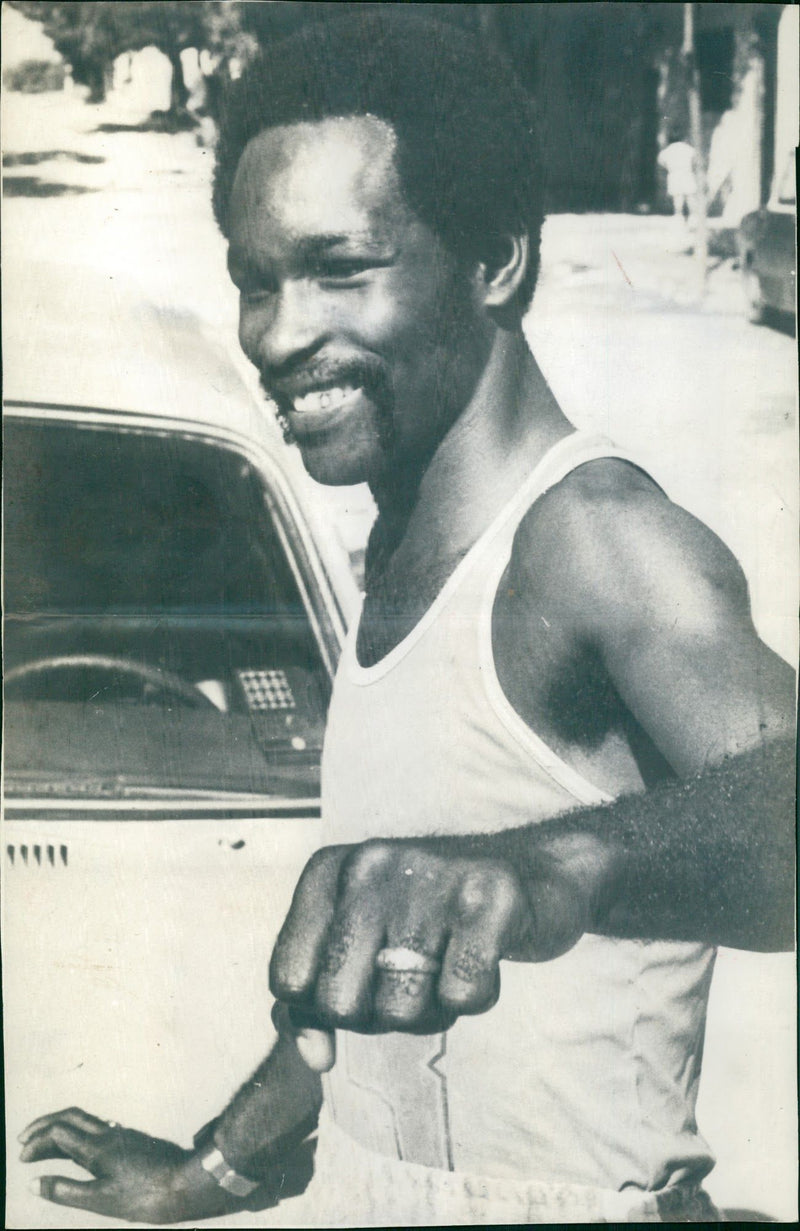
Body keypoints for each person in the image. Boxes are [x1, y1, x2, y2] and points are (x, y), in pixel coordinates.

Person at [20, 12, 794, 1226]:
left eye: (340, 269)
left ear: (493, 262)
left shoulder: (591, 537)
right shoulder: (393, 539)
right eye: (253, 279)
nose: (276, 334)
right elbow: (376, 1009)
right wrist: (215, 1165)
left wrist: (548, 867)